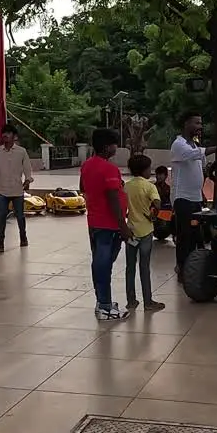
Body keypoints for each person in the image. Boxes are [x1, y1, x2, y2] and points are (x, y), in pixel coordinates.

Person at [81, 128, 133, 320]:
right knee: (104, 265)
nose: (116, 148)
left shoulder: (86, 165)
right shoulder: (109, 169)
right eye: (114, 144)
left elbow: (83, 188)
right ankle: (104, 306)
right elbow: (112, 198)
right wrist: (123, 226)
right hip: (109, 225)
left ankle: (103, 302)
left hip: (94, 221)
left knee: (100, 263)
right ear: (106, 146)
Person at [169, 113, 217, 277]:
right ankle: (182, 268)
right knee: (185, 236)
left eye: (201, 123)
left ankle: (194, 268)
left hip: (195, 197)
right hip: (182, 198)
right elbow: (195, 155)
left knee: (197, 236)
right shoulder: (179, 144)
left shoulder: (195, 145)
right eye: (196, 123)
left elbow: (202, 168)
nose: (200, 126)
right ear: (186, 124)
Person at [124, 155, 166, 311]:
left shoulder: (127, 186)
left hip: (130, 232)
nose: (151, 171)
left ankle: (131, 300)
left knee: (130, 267)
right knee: (144, 266)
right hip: (146, 231)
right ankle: (148, 302)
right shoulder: (149, 186)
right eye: (150, 168)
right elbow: (157, 203)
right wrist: (153, 215)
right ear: (145, 170)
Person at [0, 123, 34, 253]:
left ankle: (23, 237)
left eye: (8, 133)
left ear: (15, 137)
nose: (5, 135)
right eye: (4, 133)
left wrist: (28, 180)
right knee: (1, 215)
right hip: (1, 189)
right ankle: (0, 242)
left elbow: (27, 168)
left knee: (20, 216)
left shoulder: (21, 151)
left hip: (17, 189)